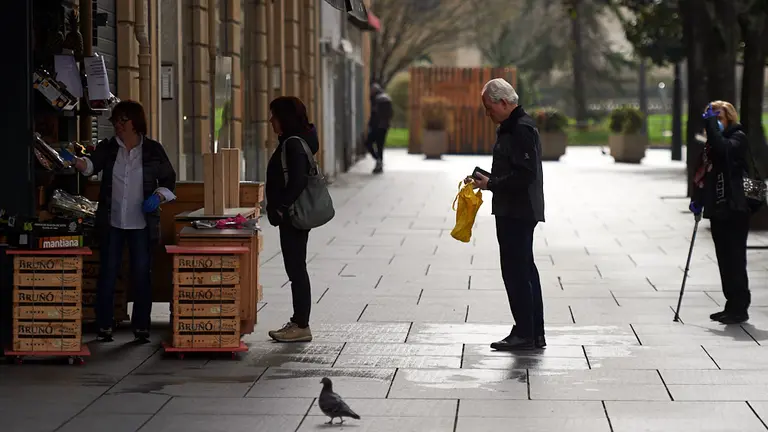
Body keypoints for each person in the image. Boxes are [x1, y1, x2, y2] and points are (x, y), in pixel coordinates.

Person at [65, 100, 177, 342]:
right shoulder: (109, 147)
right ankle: (104, 325)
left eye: (122, 120)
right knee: (108, 271)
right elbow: (90, 166)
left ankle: (141, 327)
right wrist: (75, 161)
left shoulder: (152, 150)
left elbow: (169, 180)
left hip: (142, 224)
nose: (117, 125)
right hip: (112, 221)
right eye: (115, 121)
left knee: (141, 273)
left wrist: (157, 197)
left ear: (136, 122)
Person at [465, 78, 546, 350]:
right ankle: (532, 332)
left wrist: (493, 184)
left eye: (489, 108)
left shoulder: (520, 129)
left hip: (518, 211)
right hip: (516, 209)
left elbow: (525, 175)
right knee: (524, 269)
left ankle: (525, 332)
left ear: (503, 102)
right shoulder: (512, 127)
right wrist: (487, 179)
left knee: (516, 271)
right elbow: (513, 171)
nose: (488, 114)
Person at [690, 101, 751, 324]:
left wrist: (711, 125)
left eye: (719, 119)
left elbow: (725, 150)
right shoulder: (712, 146)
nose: (715, 124)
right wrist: (697, 200)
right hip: (718, 209)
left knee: (735, 260)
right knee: (724, 260)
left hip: (735, 209)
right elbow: (704, 176)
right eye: (712, 119)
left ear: (730, 119)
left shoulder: (738, 137)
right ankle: (731, 304)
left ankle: (740, 307)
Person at [265, 96, 319, 343]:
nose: (271, 121)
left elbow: (297, 181)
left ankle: (301, 324)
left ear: (284, 118)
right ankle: (299, 321)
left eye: (274, 116)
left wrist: (281, 208)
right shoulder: (294, 141)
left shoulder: (293, 144)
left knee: (296, 268)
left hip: (292, 215)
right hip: (291, 214)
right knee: (295, 266)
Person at [365, 83, 393, 174]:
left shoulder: (376, 100)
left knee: (368, 143)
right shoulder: (386, 98)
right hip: (384, 127)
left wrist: (370, 124)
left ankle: (378, 160)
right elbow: (391, 114)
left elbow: (374, 115)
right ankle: (379, 162)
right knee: (380, 146)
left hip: (377, 127)